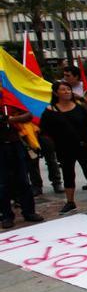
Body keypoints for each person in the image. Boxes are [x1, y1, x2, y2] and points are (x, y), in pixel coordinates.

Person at [39, 81, 87, 213]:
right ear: (55, 93)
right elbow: (44, 131)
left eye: (68, 89)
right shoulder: (49, 111)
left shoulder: (79, 108)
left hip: (82, 146)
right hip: (63, 148)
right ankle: (70, 202)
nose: (66, 92)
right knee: (68, 174)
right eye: (63, 90)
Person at [0, 93, 44, 228]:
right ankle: (7, 216)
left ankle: (29, 211)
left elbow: (28, 115)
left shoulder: (7, 97)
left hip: (15, 144)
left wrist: (11, 119)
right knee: (3, 183)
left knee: (23, 179)